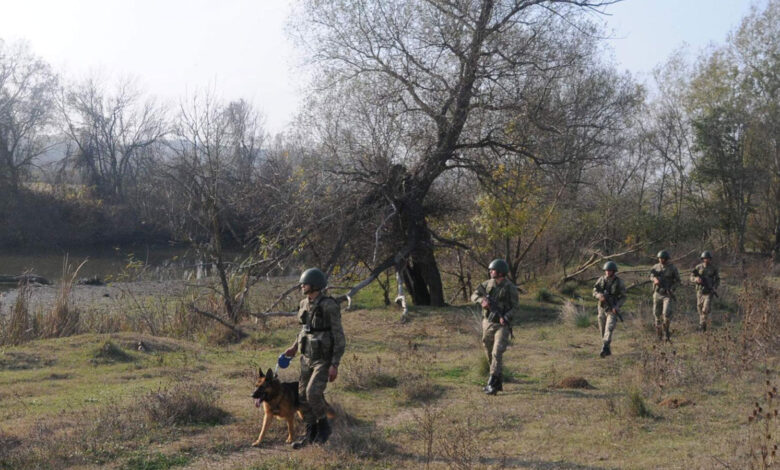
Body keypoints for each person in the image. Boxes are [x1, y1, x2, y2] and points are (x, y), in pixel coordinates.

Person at [284, 268, 345, 448]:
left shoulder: (329, 305)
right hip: (306, 356)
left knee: (313, 394)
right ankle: (310, 433)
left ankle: (324, 427)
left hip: (323, 359)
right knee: (302, 396)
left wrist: (335, 364)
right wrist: (294, 347)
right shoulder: (304, 303)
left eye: (305, 283)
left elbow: (339, 336)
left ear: (315, 285)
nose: (302, 286)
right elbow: (305, 329)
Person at [471, 259, 519, 395]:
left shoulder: (510, 288)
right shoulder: (487, 284)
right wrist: (482, 301)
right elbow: (474, 295)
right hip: (488, 322)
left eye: (493, 270)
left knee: (497, 352)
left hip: (502, 325)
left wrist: (506, 317)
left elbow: (516, 307)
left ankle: (491, 383)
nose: (490, 272)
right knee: (488, 349)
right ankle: (497, 380)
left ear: (500, 272)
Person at [592, 261, 626, 358]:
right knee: (602, 329)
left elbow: (623, 297)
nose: (607, 272)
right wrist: (599, 295)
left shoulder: (619, 282)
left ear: (614, 271)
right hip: (602, 307)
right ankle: (607, 348)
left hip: (612, 308)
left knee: (609, 328)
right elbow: (594, 290)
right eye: (606, 270)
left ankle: (604, 347)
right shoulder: (601, 280)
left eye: (610, 270)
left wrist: (617, 306)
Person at [650, 250, 680, 341]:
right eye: (659, 258)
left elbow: (678, 281)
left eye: (662, 258)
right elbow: (651, 275)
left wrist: (672, 289)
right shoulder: (655, 267)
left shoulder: (672, 268)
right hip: (657, 293)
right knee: (656, 315)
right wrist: (654, 279)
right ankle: (659, 336)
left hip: (667, 294)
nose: (661, 260)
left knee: (666, 314)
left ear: (666, 259)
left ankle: (666, 333)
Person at [689, 251, 720, 332]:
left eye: (708, 259)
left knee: (705, 309)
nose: (706, 260)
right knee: (699, 308)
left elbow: (717, 279)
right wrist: (696, 279)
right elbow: (691, 277)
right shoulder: (698, 267)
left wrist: (714, 287)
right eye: (705, 258)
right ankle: (703, 323)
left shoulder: (713, 268)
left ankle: (702, 326)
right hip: (700, 291)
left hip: (709, 292)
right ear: (702, 259)